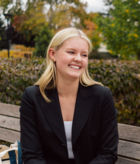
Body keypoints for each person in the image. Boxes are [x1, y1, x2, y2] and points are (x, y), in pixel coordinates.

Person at [19, 28, 118, 164]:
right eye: (71, 52)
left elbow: (108, 153)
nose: (78, 59)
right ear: (53, 54)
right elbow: (32, 155)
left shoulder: (102, 96)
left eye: (84, 55)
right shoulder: (33, 97)